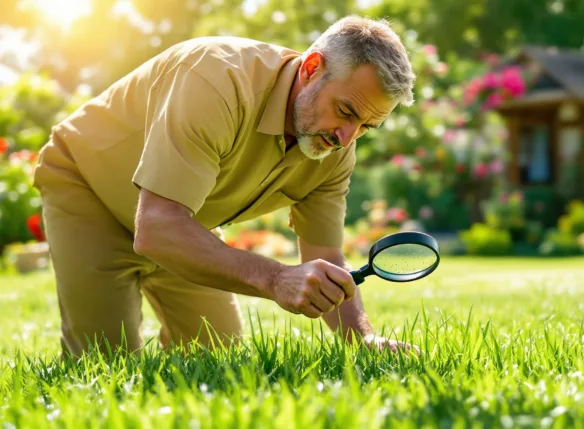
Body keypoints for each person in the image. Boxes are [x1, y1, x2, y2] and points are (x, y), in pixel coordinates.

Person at [32, 15, 419, 357]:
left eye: (366, 127)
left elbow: (324, 253)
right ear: (312, 67)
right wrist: (276, 278)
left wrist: (361, 339)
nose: (347, 137)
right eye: (346, 111)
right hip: (89, 188)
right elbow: (156, 229)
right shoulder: (216, 80)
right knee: (104, 365)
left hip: (181, 223)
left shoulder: (334, 148)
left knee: (218, 358)